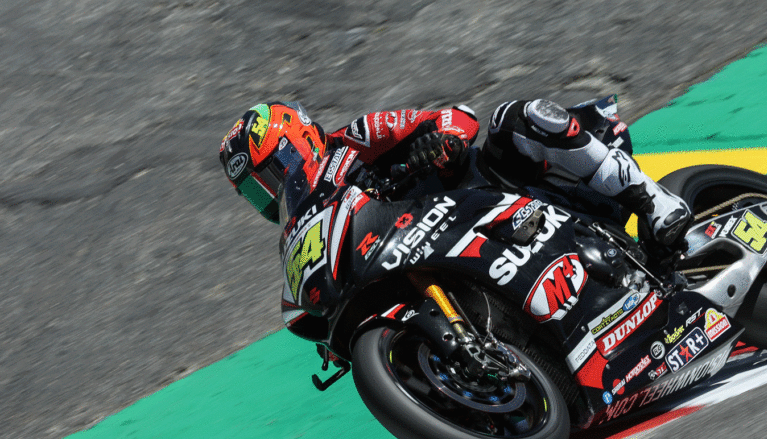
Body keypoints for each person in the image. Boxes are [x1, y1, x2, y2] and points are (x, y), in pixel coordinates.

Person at [218, 98, 691, 345]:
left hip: (491, 193)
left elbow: (454, 116)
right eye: (256, 189)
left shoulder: (355, 140)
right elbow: (305, 306)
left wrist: (439, 142)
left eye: (270, 172)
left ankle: (656, 203)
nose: (270, 190)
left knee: (514, 118)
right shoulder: (305, 228)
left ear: (295, 140)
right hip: (443, 255)